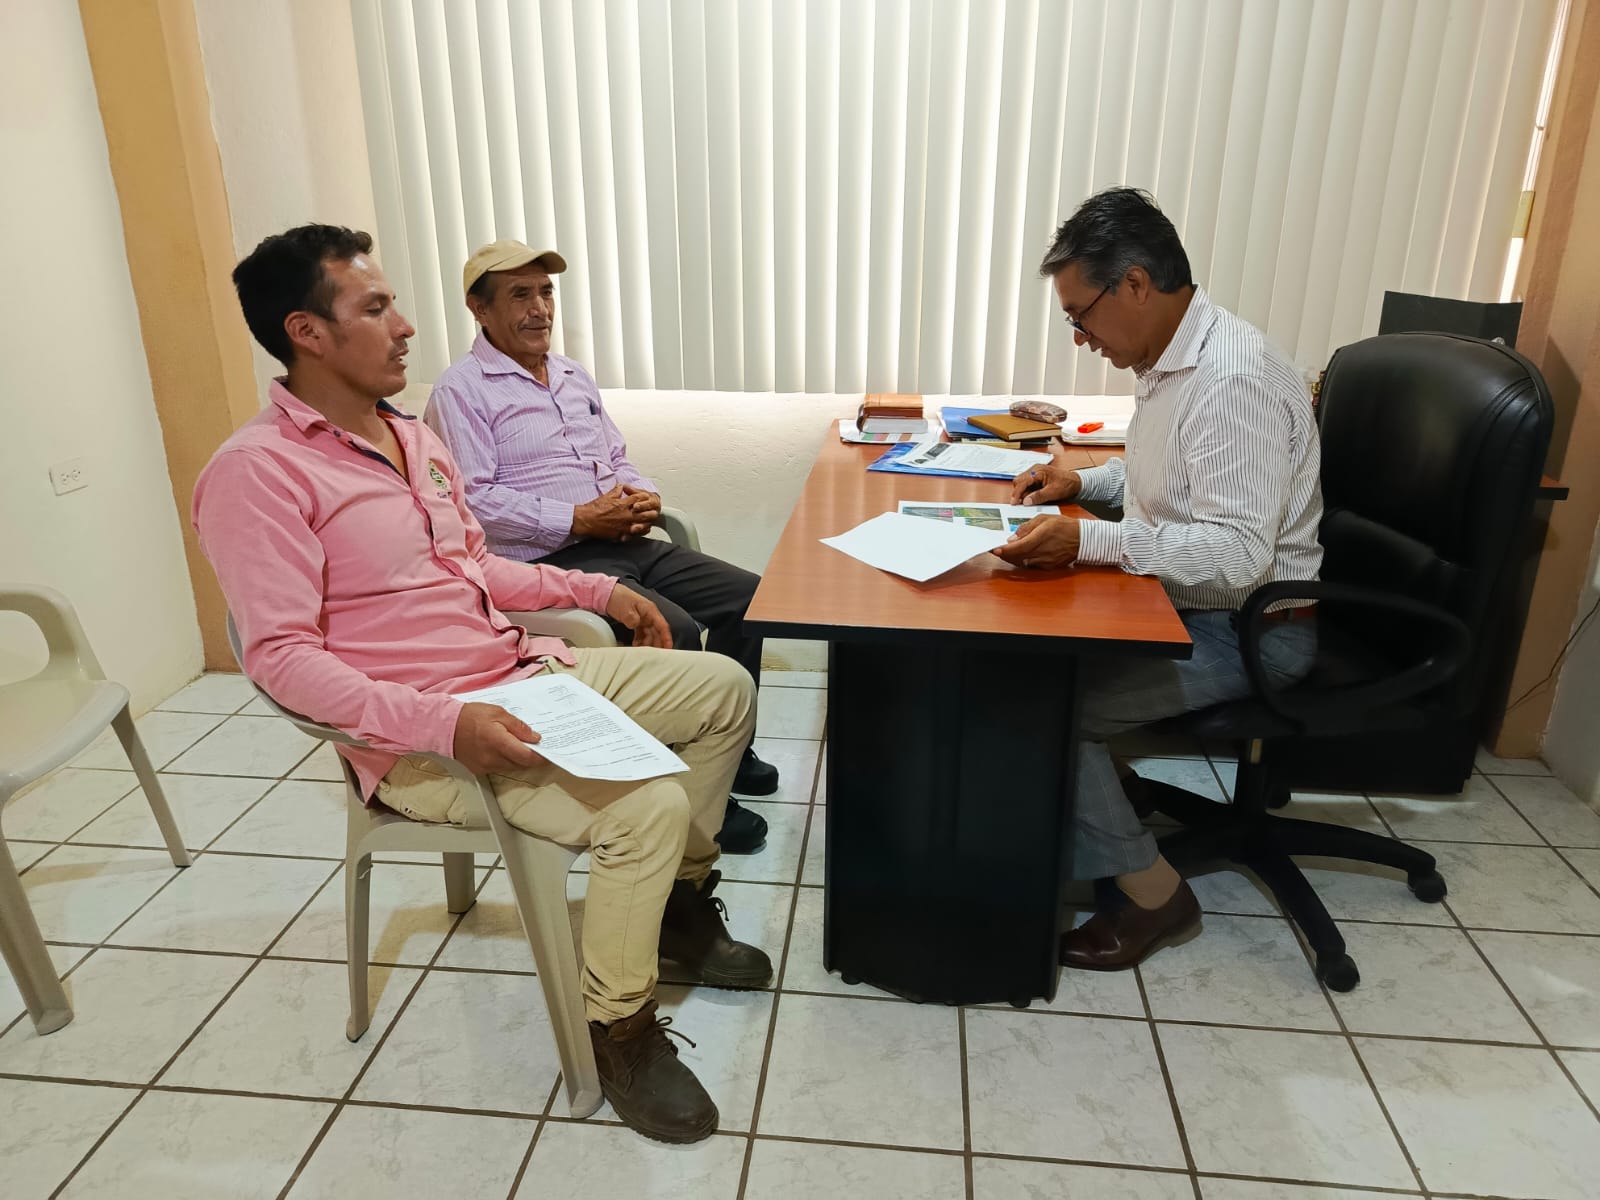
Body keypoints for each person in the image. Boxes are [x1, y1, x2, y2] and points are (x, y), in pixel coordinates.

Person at [193, 224, 771, 1145]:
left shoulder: (410, 436)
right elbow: (282, 659)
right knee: (647, 803)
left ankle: (675, 906)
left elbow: (475, 567)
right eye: (376, 308)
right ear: (307, 332)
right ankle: (616, 1029)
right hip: (422, 738)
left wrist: (601, 590)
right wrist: (443, 724)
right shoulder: (256, 474)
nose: (405, 326)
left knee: (722, 690)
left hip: (515, 671)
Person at [996, 188, 1324, 971]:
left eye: (1082, 317)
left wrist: (1089, 540)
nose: (1081, 340)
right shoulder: (1171, 359)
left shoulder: (1232, 380)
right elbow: (1168, 488)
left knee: (1051, 705)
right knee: (1029, 660)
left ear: (1136, 284)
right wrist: (1083, 485)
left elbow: (1236, 556)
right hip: (1193, 604)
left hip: (1255, 630)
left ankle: (1155, 897)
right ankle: (1110, 802)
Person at [423, 241, 776, 856]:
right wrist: (576, 517)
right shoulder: (461, 390)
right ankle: (698, 803)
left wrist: (641, 494)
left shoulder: (571, 374)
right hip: (547, 561)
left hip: (620, 540)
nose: (540, 309)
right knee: (674, 628)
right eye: (520, 295)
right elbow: (474, 499)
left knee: (751, 599)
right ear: (479, 309)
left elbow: (615, 456)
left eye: (546, 292)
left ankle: (728, 753)